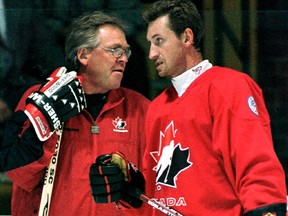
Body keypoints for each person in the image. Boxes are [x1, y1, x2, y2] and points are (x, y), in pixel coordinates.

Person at [140, 0, 287, 215]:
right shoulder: (157, 108)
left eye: (159, 41)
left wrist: (265, 209)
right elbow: (153, 187)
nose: (151, 53)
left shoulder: (229, 87)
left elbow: (256, 164)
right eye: (150, 43)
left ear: (187, 37)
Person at [3, 11, 150, 215]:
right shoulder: (37, 97)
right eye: (115, 50)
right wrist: (43, 124)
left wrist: (132, 181)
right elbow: (18, 174)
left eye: (126, 51)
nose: (124, 59)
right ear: (83, 55)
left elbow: (156, 187)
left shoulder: (141, 108)